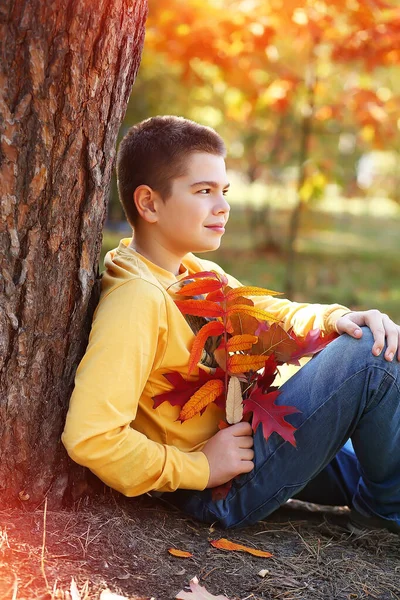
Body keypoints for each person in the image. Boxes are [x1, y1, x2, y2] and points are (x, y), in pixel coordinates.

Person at [62, 116, 400, 534]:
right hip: (217, 488)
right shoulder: (137, 299)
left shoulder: (191, 270)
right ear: (148, 203)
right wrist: (199, 468)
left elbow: (268, 315)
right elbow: (90, 436)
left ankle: (388, 502)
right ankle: (383, 520)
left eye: (223, 191)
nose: (222, 206)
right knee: (368, 357)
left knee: (384, 430)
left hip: (245, 443)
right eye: (203, 191)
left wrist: (337, 317)